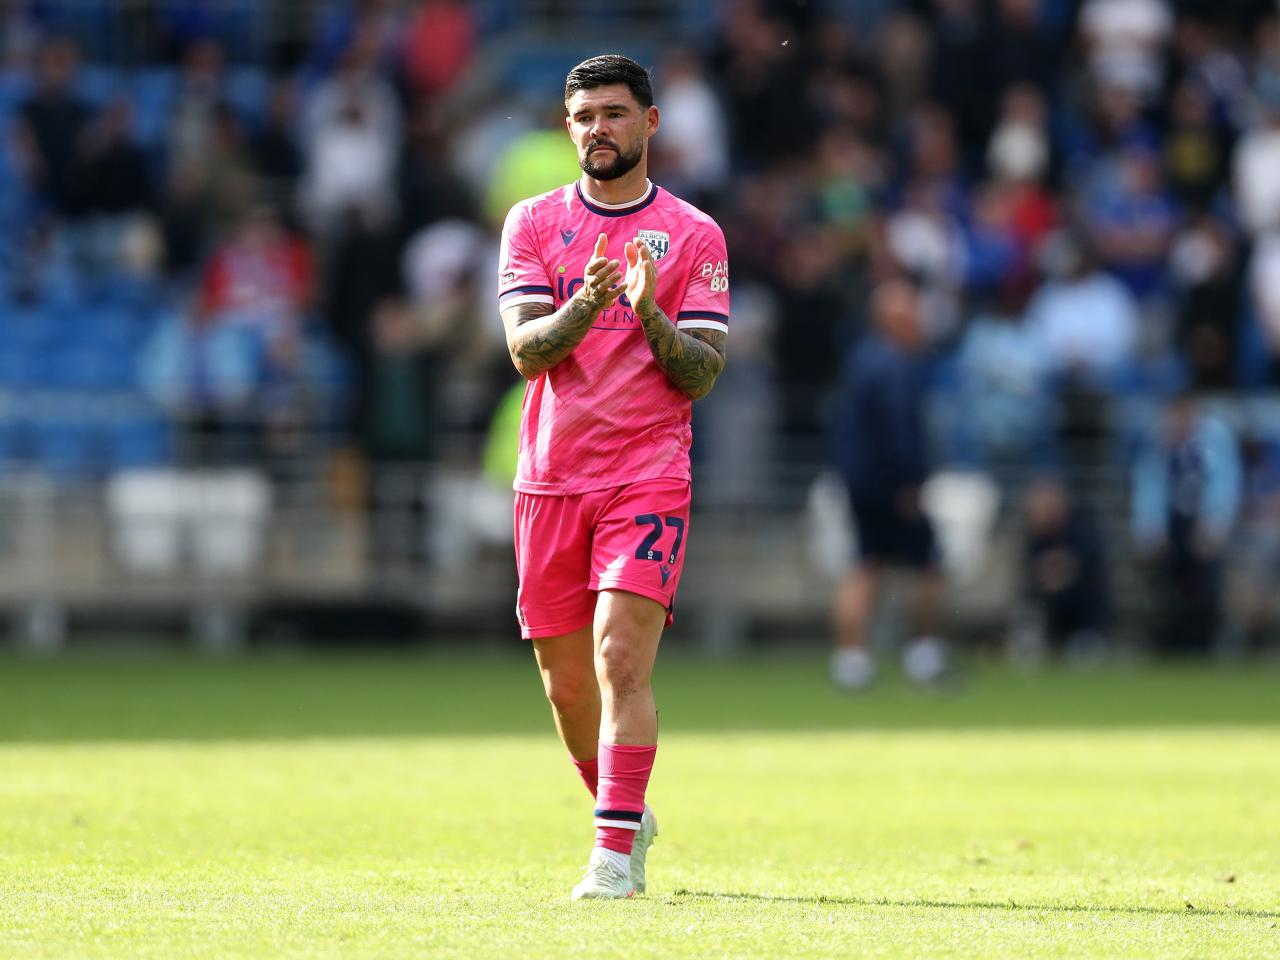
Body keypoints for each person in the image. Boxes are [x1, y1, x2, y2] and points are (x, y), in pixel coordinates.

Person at [496, 55, 729, 900]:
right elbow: (526, 352)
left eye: (616, 113)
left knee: (619, 660)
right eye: (585, 115)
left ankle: (611, 861)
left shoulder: (695, 234)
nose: (599, 128)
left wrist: (651, 316)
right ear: (569, 127)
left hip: (648, 475)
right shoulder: (531, 223)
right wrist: (588, 307)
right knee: (566, 690)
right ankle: (626, 813)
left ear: (651, 124)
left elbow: (703, 373)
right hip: (551, 479)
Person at [829, 279, 948, 690]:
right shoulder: (894, 364)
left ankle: (851, 660)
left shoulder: (862, 359)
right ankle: (923, 656)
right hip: (892, 485)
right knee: (927, 565)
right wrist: (910, 482)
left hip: (860, 481)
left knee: (865, 565)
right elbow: (898, 431)